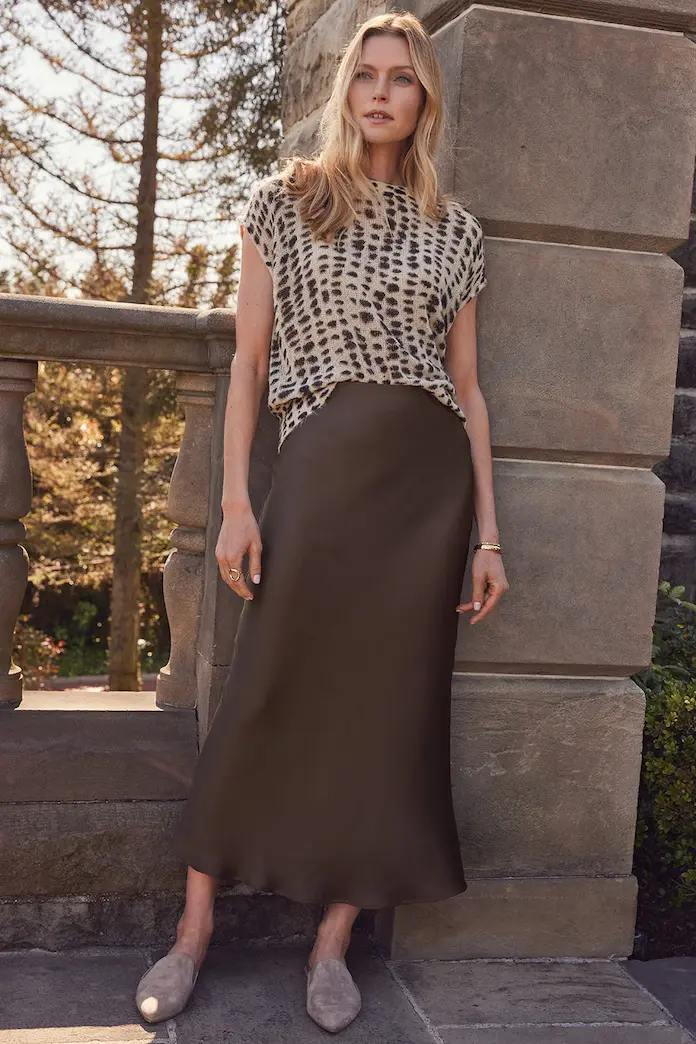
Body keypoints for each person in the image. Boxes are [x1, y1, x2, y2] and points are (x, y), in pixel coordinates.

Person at [134, 8, 509, 1034]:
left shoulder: (457, 231)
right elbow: (248, 365)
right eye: (365, 76)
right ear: (346, 91)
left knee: (389, 714)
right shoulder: (287, 201)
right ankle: (192, 934)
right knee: (264, 692)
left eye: (401, 77)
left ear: (425, 96)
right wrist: (235, 504)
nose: (380, 92)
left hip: (427, 491)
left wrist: (487, 533)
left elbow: (469, 392)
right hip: (323, 468)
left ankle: (333, 946)